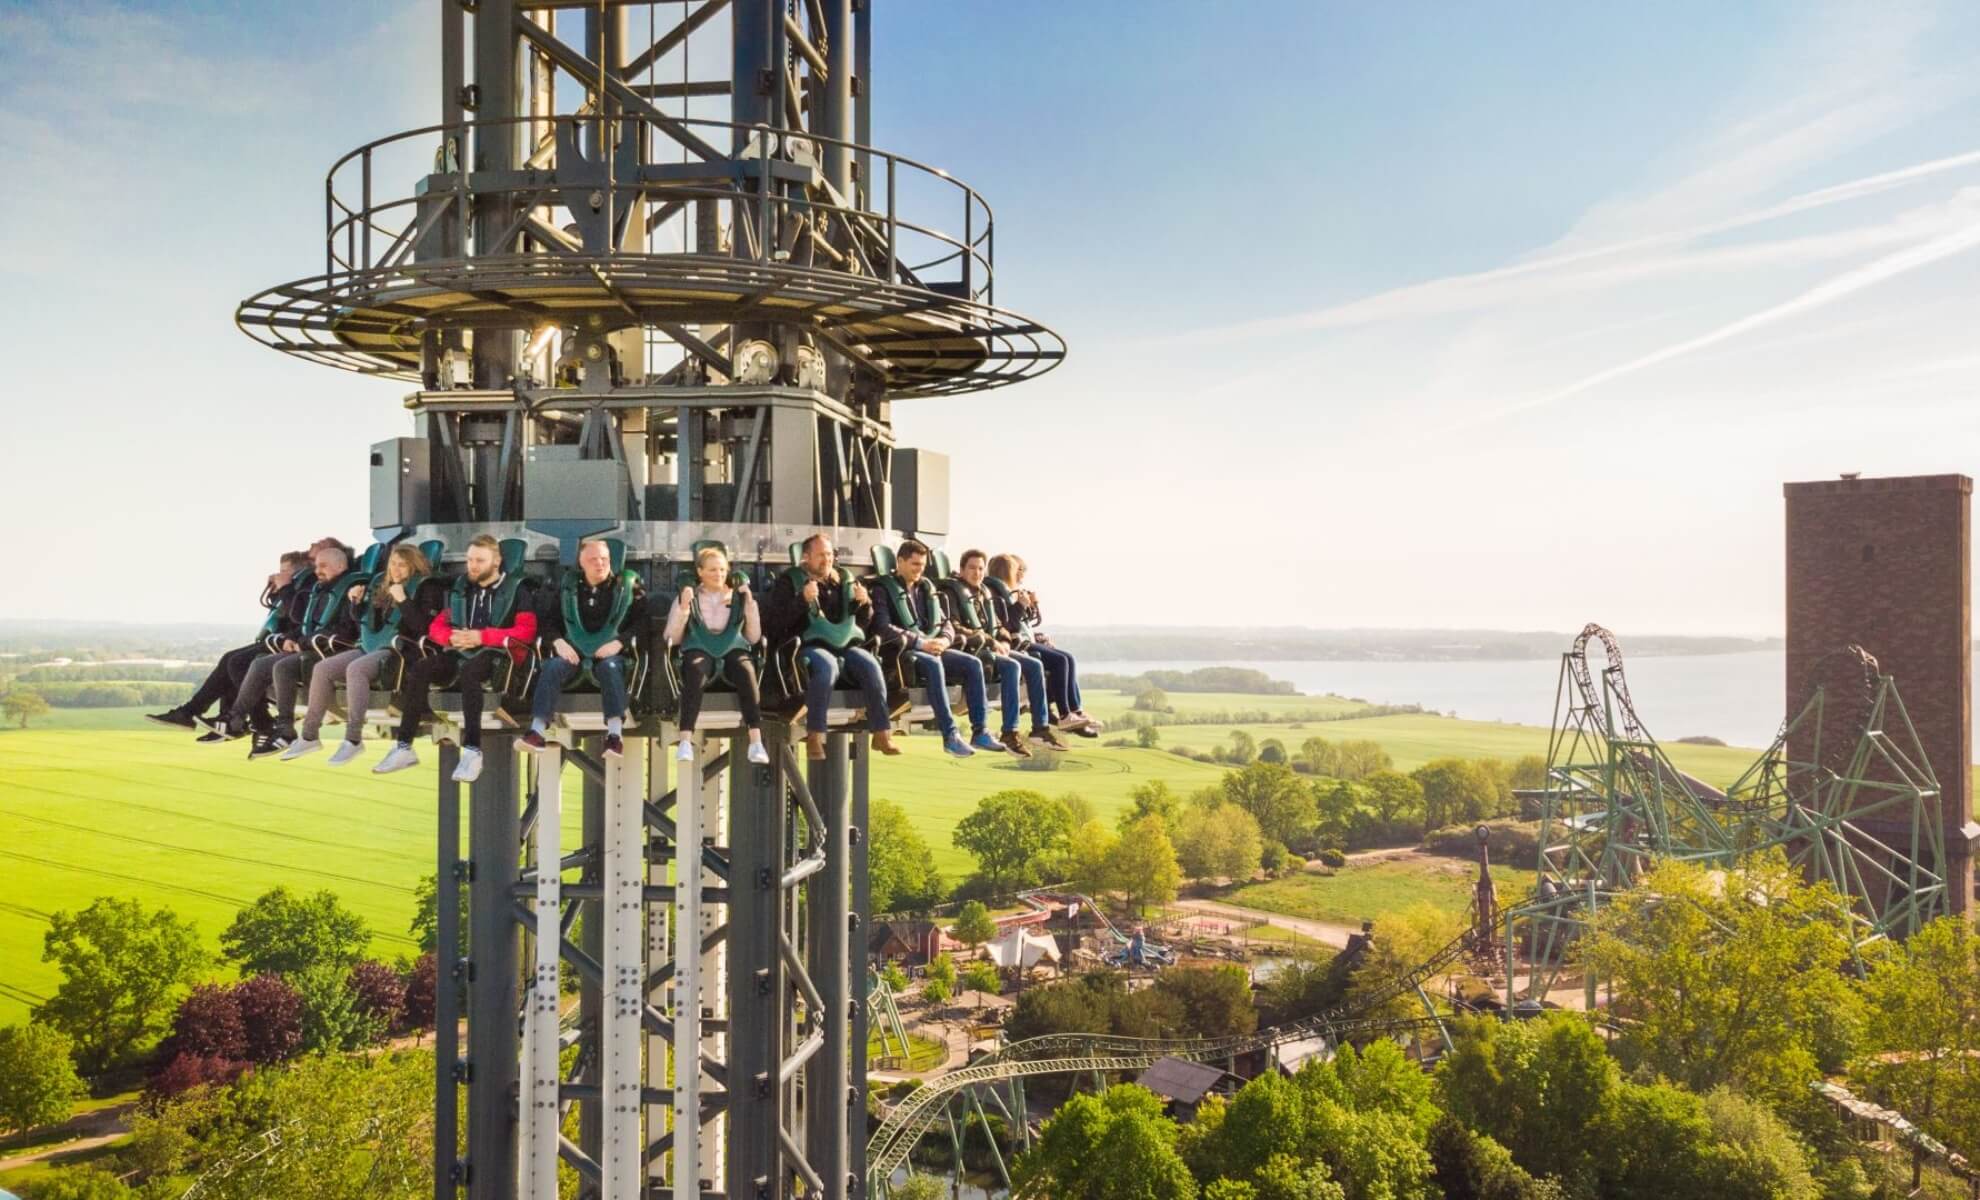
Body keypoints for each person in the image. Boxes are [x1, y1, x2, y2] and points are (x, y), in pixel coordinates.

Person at [376, 534, 537, 782]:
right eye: (470, 559)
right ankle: (404, 747)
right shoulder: (462, 588)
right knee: (422, 668)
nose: (472, 565)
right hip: (460, 649)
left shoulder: (518, 590)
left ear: (496, 562)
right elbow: (437, 626)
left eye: (479, 560)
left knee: (471, 672)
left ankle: (473, 751)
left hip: (497, 655)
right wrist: (451, 638)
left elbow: (526, 631)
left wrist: (482, 637)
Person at [284, 542, 441, 765]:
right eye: (393, 564)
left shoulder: (426, 588)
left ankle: (353, 739)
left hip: (399, 650)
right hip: (371, 644)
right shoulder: (382, 585)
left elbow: (422, 628)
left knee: (356, 669)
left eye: (402, 566)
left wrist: (403, 600)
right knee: (323, 668)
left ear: (413, 567)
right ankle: (309, 735)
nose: (396, 570)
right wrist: (355, 604)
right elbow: (364, 624)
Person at [762, 534, 900, 761]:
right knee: (827, 667)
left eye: (829, 555)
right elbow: (775, 624)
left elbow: (862, 626)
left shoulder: (843, 580)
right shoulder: (790, 582)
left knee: (870, 665)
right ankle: (815, 734)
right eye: (820, 555)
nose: (826, 560)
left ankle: (881, 732)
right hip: (807, 645)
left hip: (844, 644)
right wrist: (801, 601)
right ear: (806, 557)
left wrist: (864, 604)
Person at [224, 540, 362, 759]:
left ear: (340, 566)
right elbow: (307, 624)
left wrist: (305, 641)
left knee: (282, 667)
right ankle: (235, 718)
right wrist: (292, 638)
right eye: (316, 566)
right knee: (260, 663)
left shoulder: (349, 590)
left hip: (330, 650)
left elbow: (346, 631)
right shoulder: (321, 590)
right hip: (308, 645)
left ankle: (285, 728)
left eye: (323, 566)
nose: (317, 571)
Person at [148, 550, 310, 733]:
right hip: (280, 638)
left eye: (283, 571)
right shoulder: (294, 586)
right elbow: (282, 612)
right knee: (230, 659)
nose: (278, 574)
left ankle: (252, 722)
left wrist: (285, 588)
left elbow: (298, 617)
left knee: (237, 662)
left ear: (297, 571)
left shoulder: (305, 585)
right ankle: (205, 714)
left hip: (290, 641)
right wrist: (277, 591)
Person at [869, 539, 1003, 758]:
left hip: (933, 645)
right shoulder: (882, 589)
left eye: (922, 565)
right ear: (900, 562)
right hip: (904, 652)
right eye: (914, 564)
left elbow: (946, 623)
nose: (919, 570)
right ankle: (950, 736)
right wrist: (921, 643)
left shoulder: (925, 588)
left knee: (972, 663)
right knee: (933, 664)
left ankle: (980, 731)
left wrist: (944, 640)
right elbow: (883, 628)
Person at [521, 539, 648, 760]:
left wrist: (619, 643)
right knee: (551, 667)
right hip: (573, 652)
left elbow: (643, 624)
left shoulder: (629, 586)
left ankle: (615, 736)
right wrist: (558, 642)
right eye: (593, 559)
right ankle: (537, 731)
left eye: (604, 559)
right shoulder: (568, 588)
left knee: (610, 668)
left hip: (611, 653)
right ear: (581, 562)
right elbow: (547, 623)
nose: (600, 564)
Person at [947, 549, 1067, 754]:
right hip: (971, 648)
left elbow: (999, 625)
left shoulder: (983, 593)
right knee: (1012, 666)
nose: (976, 573)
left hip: (993, 645)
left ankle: (1040, 728)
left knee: (1035, 664)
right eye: (972, 568)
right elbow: (955, 625)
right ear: (962, 570)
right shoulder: (952, 593)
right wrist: (992, 642)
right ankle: (1009, 733)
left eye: (980, 569)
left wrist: (1002, 640)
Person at [660, 545, 768, 765]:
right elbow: (672, 636)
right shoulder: (691, 596)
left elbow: (754, 637)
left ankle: (756, 740)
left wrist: (749, 604)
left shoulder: (736, 596)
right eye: (712, 570)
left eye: (721, 569)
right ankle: (685, 740)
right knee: (695, 670)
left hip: (732, 647)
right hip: (700, 647)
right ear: (700, 572)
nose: (718, 574)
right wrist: (683, 606)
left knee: (746, 669)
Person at [987, 552, 1099, 736]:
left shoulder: (1006, 593)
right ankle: (1065, 714)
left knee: (1068, 658)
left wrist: (1030, 606)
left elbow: (1023, 623)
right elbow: (1009, 626)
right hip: (1017, 644)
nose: (1019, 576)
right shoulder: (997, 596)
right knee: (1060, 661)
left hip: (1023, 639)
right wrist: (1021, 605)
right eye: (1017, 571)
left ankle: (1075, 711)